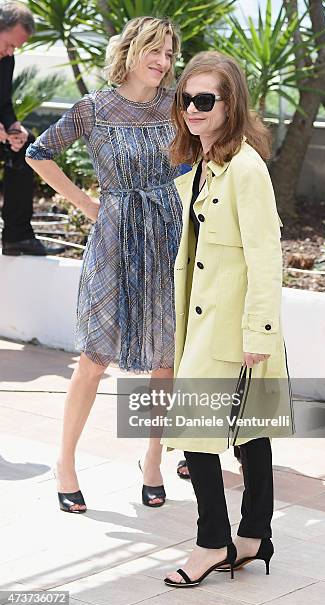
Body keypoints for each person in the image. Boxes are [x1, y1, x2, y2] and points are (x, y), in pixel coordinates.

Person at [25, 16, 185, 511]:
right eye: (154, 51)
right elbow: (38, 152)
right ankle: (65, 464)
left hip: (169, 234)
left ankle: (153, 459)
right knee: (94, 358)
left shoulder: (178, 105)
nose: (163, 62)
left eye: (170, 54)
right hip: (114, 238)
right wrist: (87, 204)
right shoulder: (93, 108)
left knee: (165, 358)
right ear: (131, 49)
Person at [162, 51, 295, 587]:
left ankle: (212, 541)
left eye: (204, 100)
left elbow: (267, 254)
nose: (192, 109)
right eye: (185, 99)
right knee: (247, 432)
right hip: (204, 322)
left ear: (229, 103)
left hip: (234, 328)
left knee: (200, 434)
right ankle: (254, 536)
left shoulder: (246, 168)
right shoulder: (202, 164)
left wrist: (258, 332)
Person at [0, 0, 64, 256]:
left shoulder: (6, 59)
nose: (11, 51)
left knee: (26, 147)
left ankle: (17, 236)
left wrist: (14, 127)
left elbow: (3, 102)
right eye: (9, 44)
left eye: (16, 47)